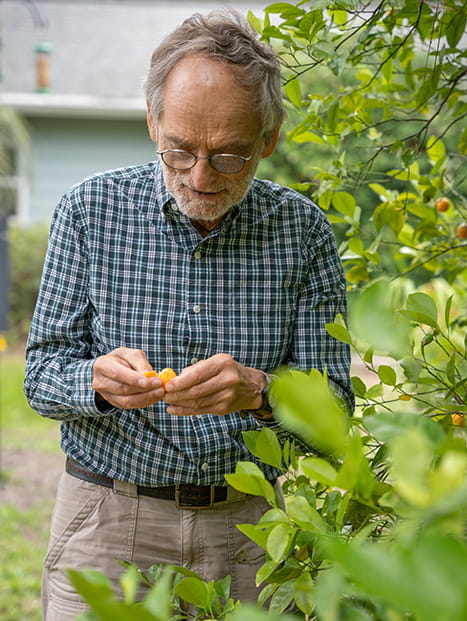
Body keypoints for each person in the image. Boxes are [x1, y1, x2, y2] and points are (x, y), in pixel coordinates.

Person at [24, 9, 354, 620]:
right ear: (153, 123)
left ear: (267, 142)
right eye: (180, 149)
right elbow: (41, 376)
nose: (200, 177)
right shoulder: (89, 212)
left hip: (252, 532)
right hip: (107, 522)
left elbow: (335, 406)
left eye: (229, 157)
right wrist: (94, 380)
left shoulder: (302, 233)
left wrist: (260, 391)